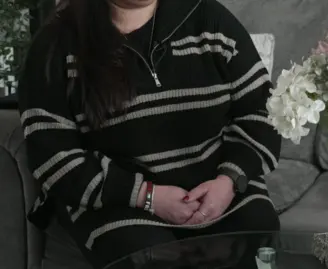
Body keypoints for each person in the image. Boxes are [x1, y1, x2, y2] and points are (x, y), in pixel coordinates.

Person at [17, 0, 281, 268]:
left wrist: (230, 179)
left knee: (258, 237)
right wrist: (147, 196)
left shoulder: (209, 18)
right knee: (150, 258)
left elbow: (265, 112)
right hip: (117, 200)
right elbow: (52, 157)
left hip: (216, 185)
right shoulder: (56, 44)